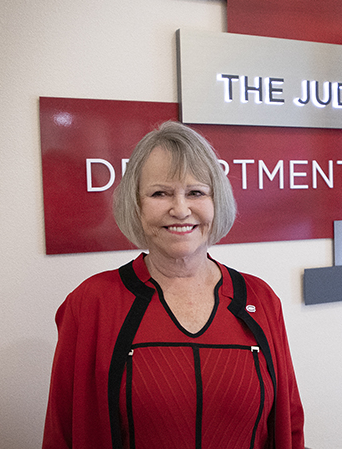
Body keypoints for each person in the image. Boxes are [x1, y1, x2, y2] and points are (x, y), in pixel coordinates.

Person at [42, 121, 305, 449]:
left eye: (196, 192)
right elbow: (62, 434)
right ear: (136, 206)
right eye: (159, 193)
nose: (180, 209)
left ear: (215, 202)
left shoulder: (260, 299)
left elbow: (288, 425)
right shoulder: (91, 304)